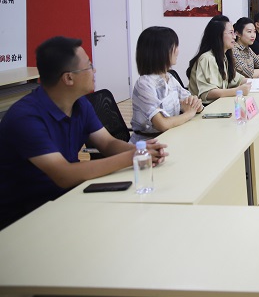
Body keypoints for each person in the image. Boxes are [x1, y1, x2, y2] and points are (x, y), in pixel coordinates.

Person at [0, 37, 168, 230]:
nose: (94, 71)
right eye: (89, 66)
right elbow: (63, 175)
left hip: (66, 199)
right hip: (24, 217)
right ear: (68, 78)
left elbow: (107, 143)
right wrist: (131, 157)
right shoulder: (25, 118)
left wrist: (142, 151)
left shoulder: (80, 104)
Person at [130, 26, 203, 142]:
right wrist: (189, 113)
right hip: (150, 144)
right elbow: (162, 124)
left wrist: (195, 104)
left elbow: (194, 105)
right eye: (175, 46)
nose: (178, 51)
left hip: (172, 136)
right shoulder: (144, 84)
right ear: (160, 51)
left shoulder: (169, 78)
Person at [187, 19, 251, 103]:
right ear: (218, 35)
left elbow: (236, 79)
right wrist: (237, 91)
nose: (234, 37)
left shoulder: (223, 56)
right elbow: (208, 93)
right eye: (231, 33)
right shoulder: (207, 58)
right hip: (206, 107)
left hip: (219, 103)